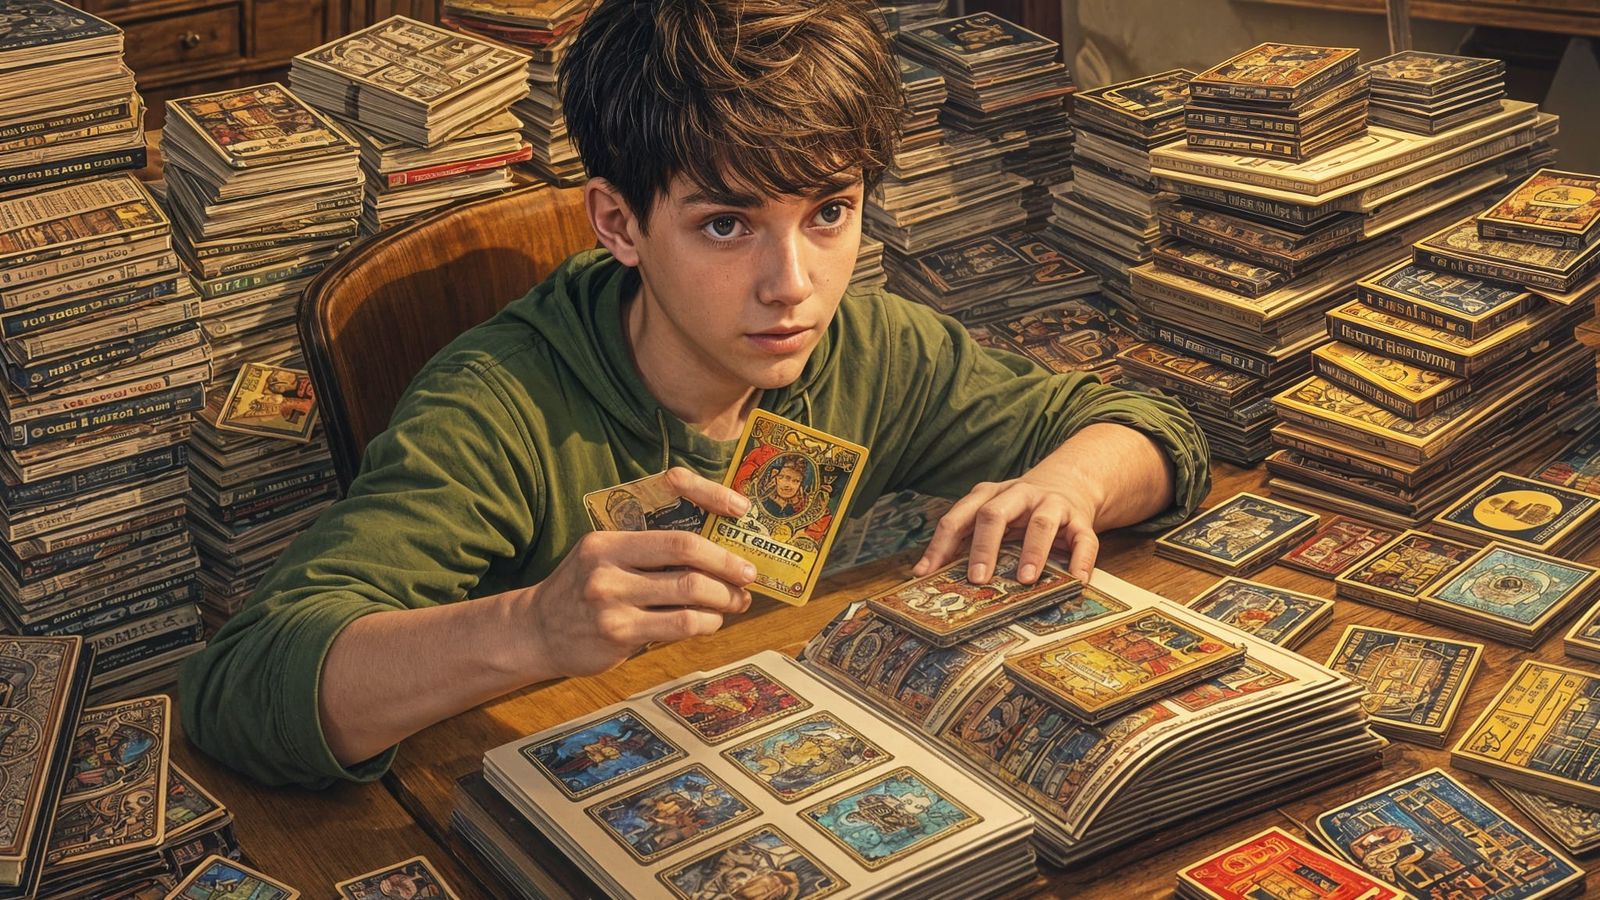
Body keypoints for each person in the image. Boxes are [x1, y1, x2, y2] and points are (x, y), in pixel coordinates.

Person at [179, 0, 1209, 788]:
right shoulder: (496, 405)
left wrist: (1069, 482)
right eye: (726, 225)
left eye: (828, 213)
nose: (792, 284)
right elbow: (237, 688)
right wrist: (532, 628)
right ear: (619, 225)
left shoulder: (872, 346)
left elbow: (1154, 432)